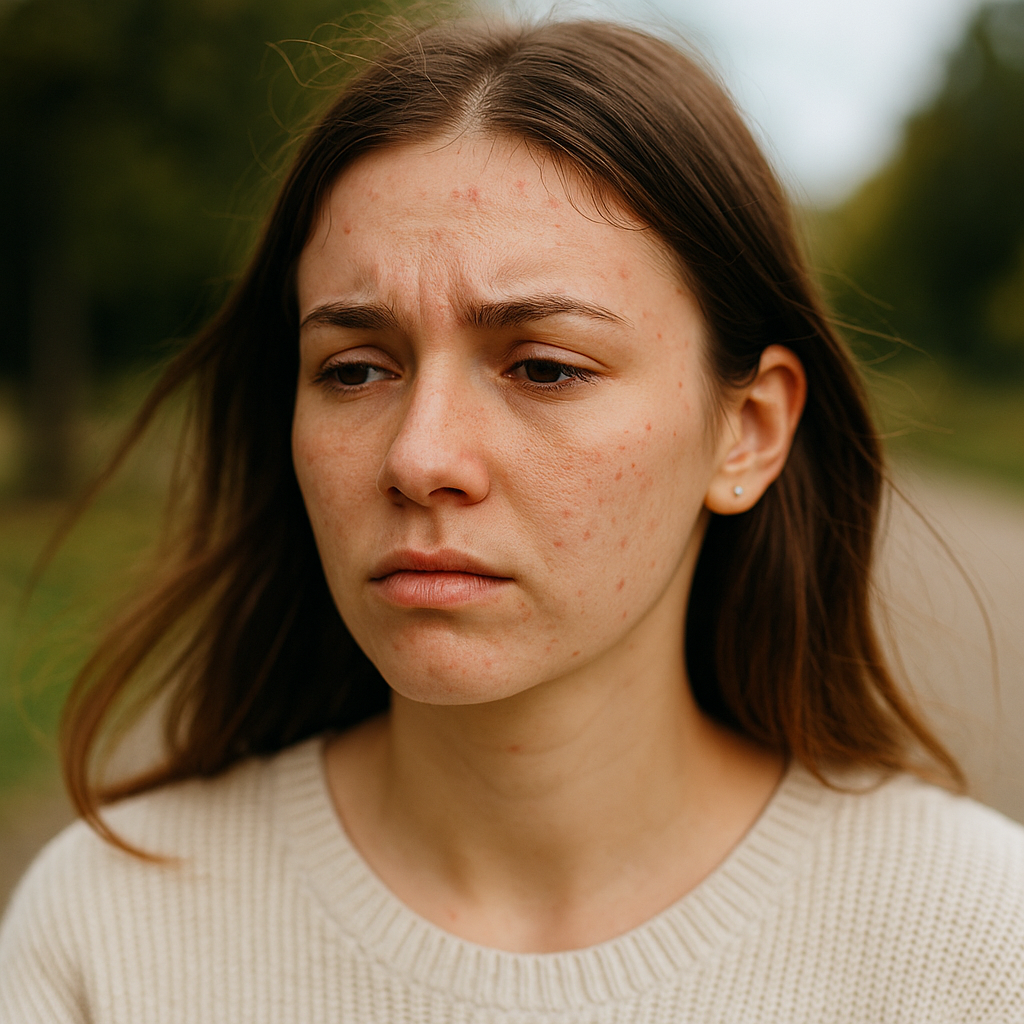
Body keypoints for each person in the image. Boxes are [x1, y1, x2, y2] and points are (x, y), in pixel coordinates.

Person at [1, 16, 1022, 1024]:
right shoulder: (106, 932)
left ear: (746, 432)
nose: (419, 456)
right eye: (354, 370)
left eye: (543, 367)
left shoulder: (972, 940)